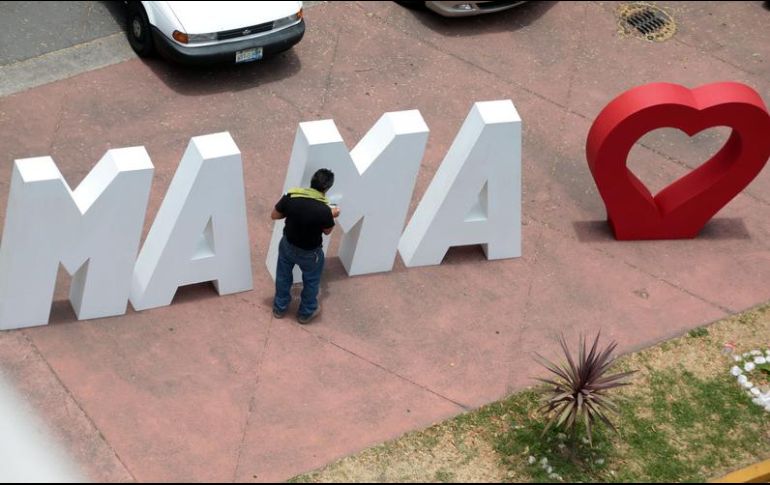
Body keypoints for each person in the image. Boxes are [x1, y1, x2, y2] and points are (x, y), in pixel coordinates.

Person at [271, 169, 340, 324]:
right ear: (327, 188)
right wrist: (332, 215)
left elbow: (274, 215)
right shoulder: (324, 210)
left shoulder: (292, 196)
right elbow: (327, 231)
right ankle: (305, 313)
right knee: (311, 281)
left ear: (312, 180)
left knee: (283, 276)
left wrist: (292, 213)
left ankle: (279, 308)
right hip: (310, 253)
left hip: (288, 246)